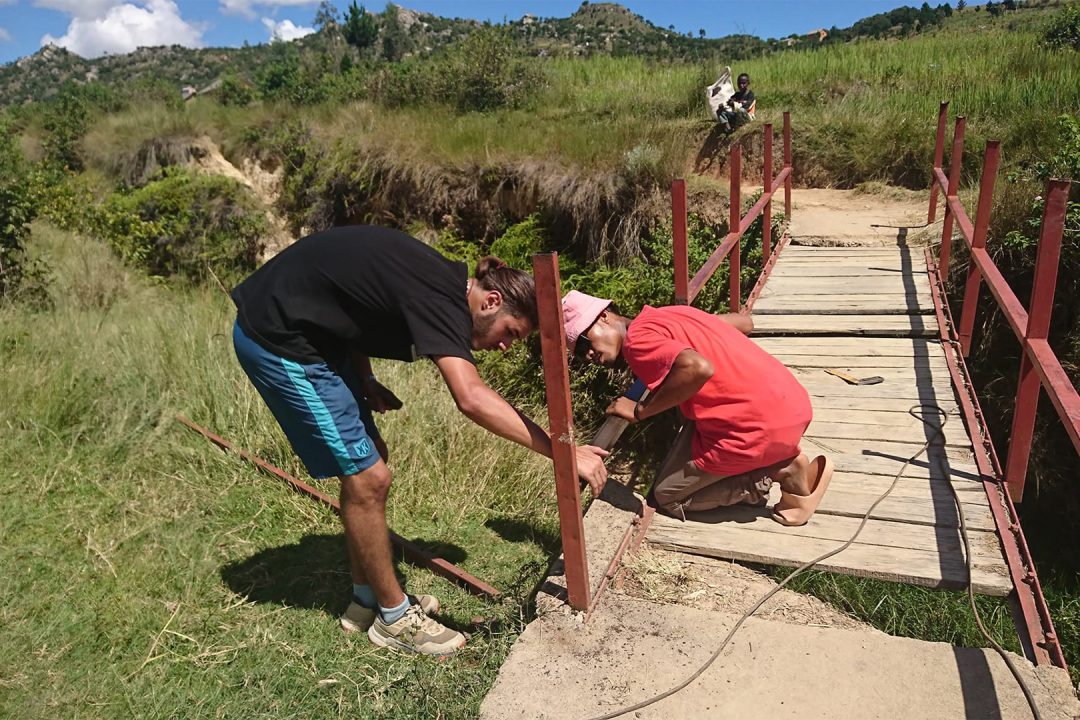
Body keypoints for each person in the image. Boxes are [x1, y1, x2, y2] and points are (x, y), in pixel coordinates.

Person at [230, 225, 609, 657]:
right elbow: (470, 398)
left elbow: (350, 304)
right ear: (491, 301)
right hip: (279, 339)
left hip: (314, 336)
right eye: (511, 332)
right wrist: (563, 452)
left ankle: (366, 600)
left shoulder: (443, 287)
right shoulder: (443, 302)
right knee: (369, 477)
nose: (505, 346)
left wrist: (365, 376)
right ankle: (394, 621)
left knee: (372, 465)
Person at [561, 290, 832, 526]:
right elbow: (744, 323)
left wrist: (639, 410)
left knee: (667, 496)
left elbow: (697, 367)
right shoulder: (667, 314)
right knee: (691, 427)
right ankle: (778, 457)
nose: (588, 355)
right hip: (792, 402)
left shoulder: (636, 343)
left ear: (605, 315)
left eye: (585, 342)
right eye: (579, 354)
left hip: (757, 427)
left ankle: (779, 470)